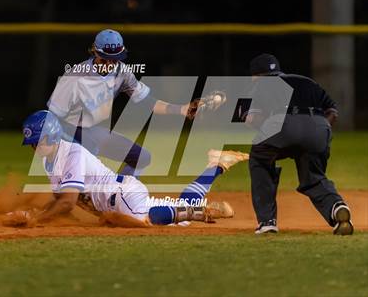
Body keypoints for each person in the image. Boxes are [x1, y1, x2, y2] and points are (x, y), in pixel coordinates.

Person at [18, 110, 249, 227]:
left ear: (53, 135)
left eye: (38, 141)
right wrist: (38, 214)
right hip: (121, 195)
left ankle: (202, 210)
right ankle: (217, 164)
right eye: (31, 144)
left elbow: (68, 202)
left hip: (121, 197)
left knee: (147, 222)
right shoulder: (51, 159)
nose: (34, 148)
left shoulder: (71, 154)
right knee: (183, 208)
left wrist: (36, 220)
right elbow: (60, 200)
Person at [48, 29, 198, 177]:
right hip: (69, 131)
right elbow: (51, 117)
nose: (109, 63)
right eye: (104, 58)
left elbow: (148, 102)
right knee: (90, 152)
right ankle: (82, 192)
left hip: (93, 131)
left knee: (142, 158)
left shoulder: (122, 72)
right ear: (94, 52)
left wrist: (182, 109)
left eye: (114, 59)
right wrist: (65, 147)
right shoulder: (75, 76)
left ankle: (119, 192)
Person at [246, 53, 353, 235]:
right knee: (314, 177)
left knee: (260, 160)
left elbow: (252, 119)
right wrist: (320, 128)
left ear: (255, 76)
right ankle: (336, 208)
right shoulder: (307, 81)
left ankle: (267, 222)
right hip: (319, 126)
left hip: (283, 125)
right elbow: (333, 111)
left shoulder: (260, 85)